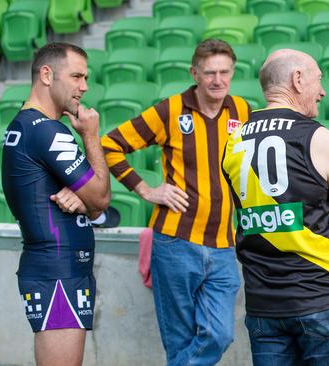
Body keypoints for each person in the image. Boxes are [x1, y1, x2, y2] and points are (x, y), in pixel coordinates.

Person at [100, 39, 249, 365]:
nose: (218, 80)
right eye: (209, 73)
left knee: (220, 334)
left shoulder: (242, 110)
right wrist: (145, 189)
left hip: (224, 245)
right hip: (175, 243)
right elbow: (110, 145)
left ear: (233, 72)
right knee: (179, 339)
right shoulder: (170, 110)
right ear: (194, 72)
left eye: (225, 72)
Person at [221, 49, 329, 365]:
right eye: (319, 80)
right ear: (297, 80)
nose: (323, 91)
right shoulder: (317, 137)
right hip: (322, 297)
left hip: (263, 306)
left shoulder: (234, 141)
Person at [1, 42, 110, 366]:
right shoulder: (48, 131)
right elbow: (102, 197)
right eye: (76, 76)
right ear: (46, 75)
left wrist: (86, 202)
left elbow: (95, 208)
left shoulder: (22, 125)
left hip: (55, 268)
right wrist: (91, 135)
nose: (84, 87)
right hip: (58, 273)